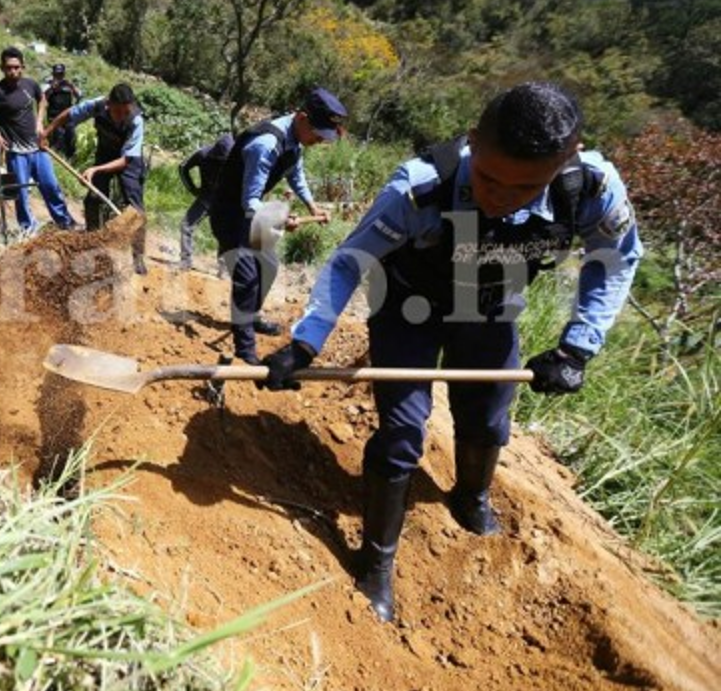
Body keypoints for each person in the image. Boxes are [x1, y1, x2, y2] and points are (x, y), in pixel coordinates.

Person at [259, 82, 643, 623]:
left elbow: (616, 258)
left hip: (490, 308)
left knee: (488, 419)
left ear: (565, 162)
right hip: (407, 306)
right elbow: (350, 262)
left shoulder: (591, 187)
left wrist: (578, 347)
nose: (500, 196)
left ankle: (471, 497)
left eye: (525, 187)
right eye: (488, 176)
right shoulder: (421, 187)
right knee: (402, 432)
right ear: (472, 141)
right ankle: (377, 561)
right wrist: (304, 342)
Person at [209, 87, 345, 364]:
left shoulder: (295, 139)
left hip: (251, 213)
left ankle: (251, 316)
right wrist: (281, 218)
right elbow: (250, 202)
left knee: (268, 266)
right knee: (247, 278)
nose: (319, 141)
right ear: (301, 118)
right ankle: (245, 350)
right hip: (231, 214)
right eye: (318, 134)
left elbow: (295, 171)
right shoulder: (266, 144)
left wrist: (311, 205)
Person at [42, 83, 148, 273]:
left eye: (126, 112)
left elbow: (126, 159)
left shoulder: (137, 120)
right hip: (106, 153)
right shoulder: (97, 105)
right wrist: (46, 132)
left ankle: (138, 256)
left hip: (128, 161)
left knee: (136, 209)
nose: (122, 117)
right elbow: (69, 114)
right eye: (118, 112)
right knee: (92, 199)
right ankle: (92, 243)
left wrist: (95, 170)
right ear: (109, 104)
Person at [0, 47, 77, 236]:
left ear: (23, 67)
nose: (13, 72)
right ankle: (28, 229)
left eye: (16, 67)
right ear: (2, 68)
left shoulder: (30, 84)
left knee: (51, 186)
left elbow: (42, 99)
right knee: (21, 193)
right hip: (15, 152)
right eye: (8, 68)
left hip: (38, 148)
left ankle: (65, 222)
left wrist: (39, 123)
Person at [177, 133, 234, 272]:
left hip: (224, 202)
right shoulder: (203, 154)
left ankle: (224, 270)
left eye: (223, 161)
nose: (220, 163)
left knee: (225, 234)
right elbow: (183, 167)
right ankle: (185, 261)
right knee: (186, 225)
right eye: (217, 160)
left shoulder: (237, 160)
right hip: (206, 198)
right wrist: (192, 188)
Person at [42, 63, 81, 159]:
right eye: (57, 74)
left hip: (68, 117)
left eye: (61, 74)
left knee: (71, 137)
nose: (59, 76)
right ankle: (58, 160)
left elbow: (79, 96)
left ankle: (71, 159)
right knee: (59, 140)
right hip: (54, 117)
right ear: (53, 74)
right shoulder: (47, 85)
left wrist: (72, 87)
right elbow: (42, 100)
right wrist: (52, 89)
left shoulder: (68, 85)